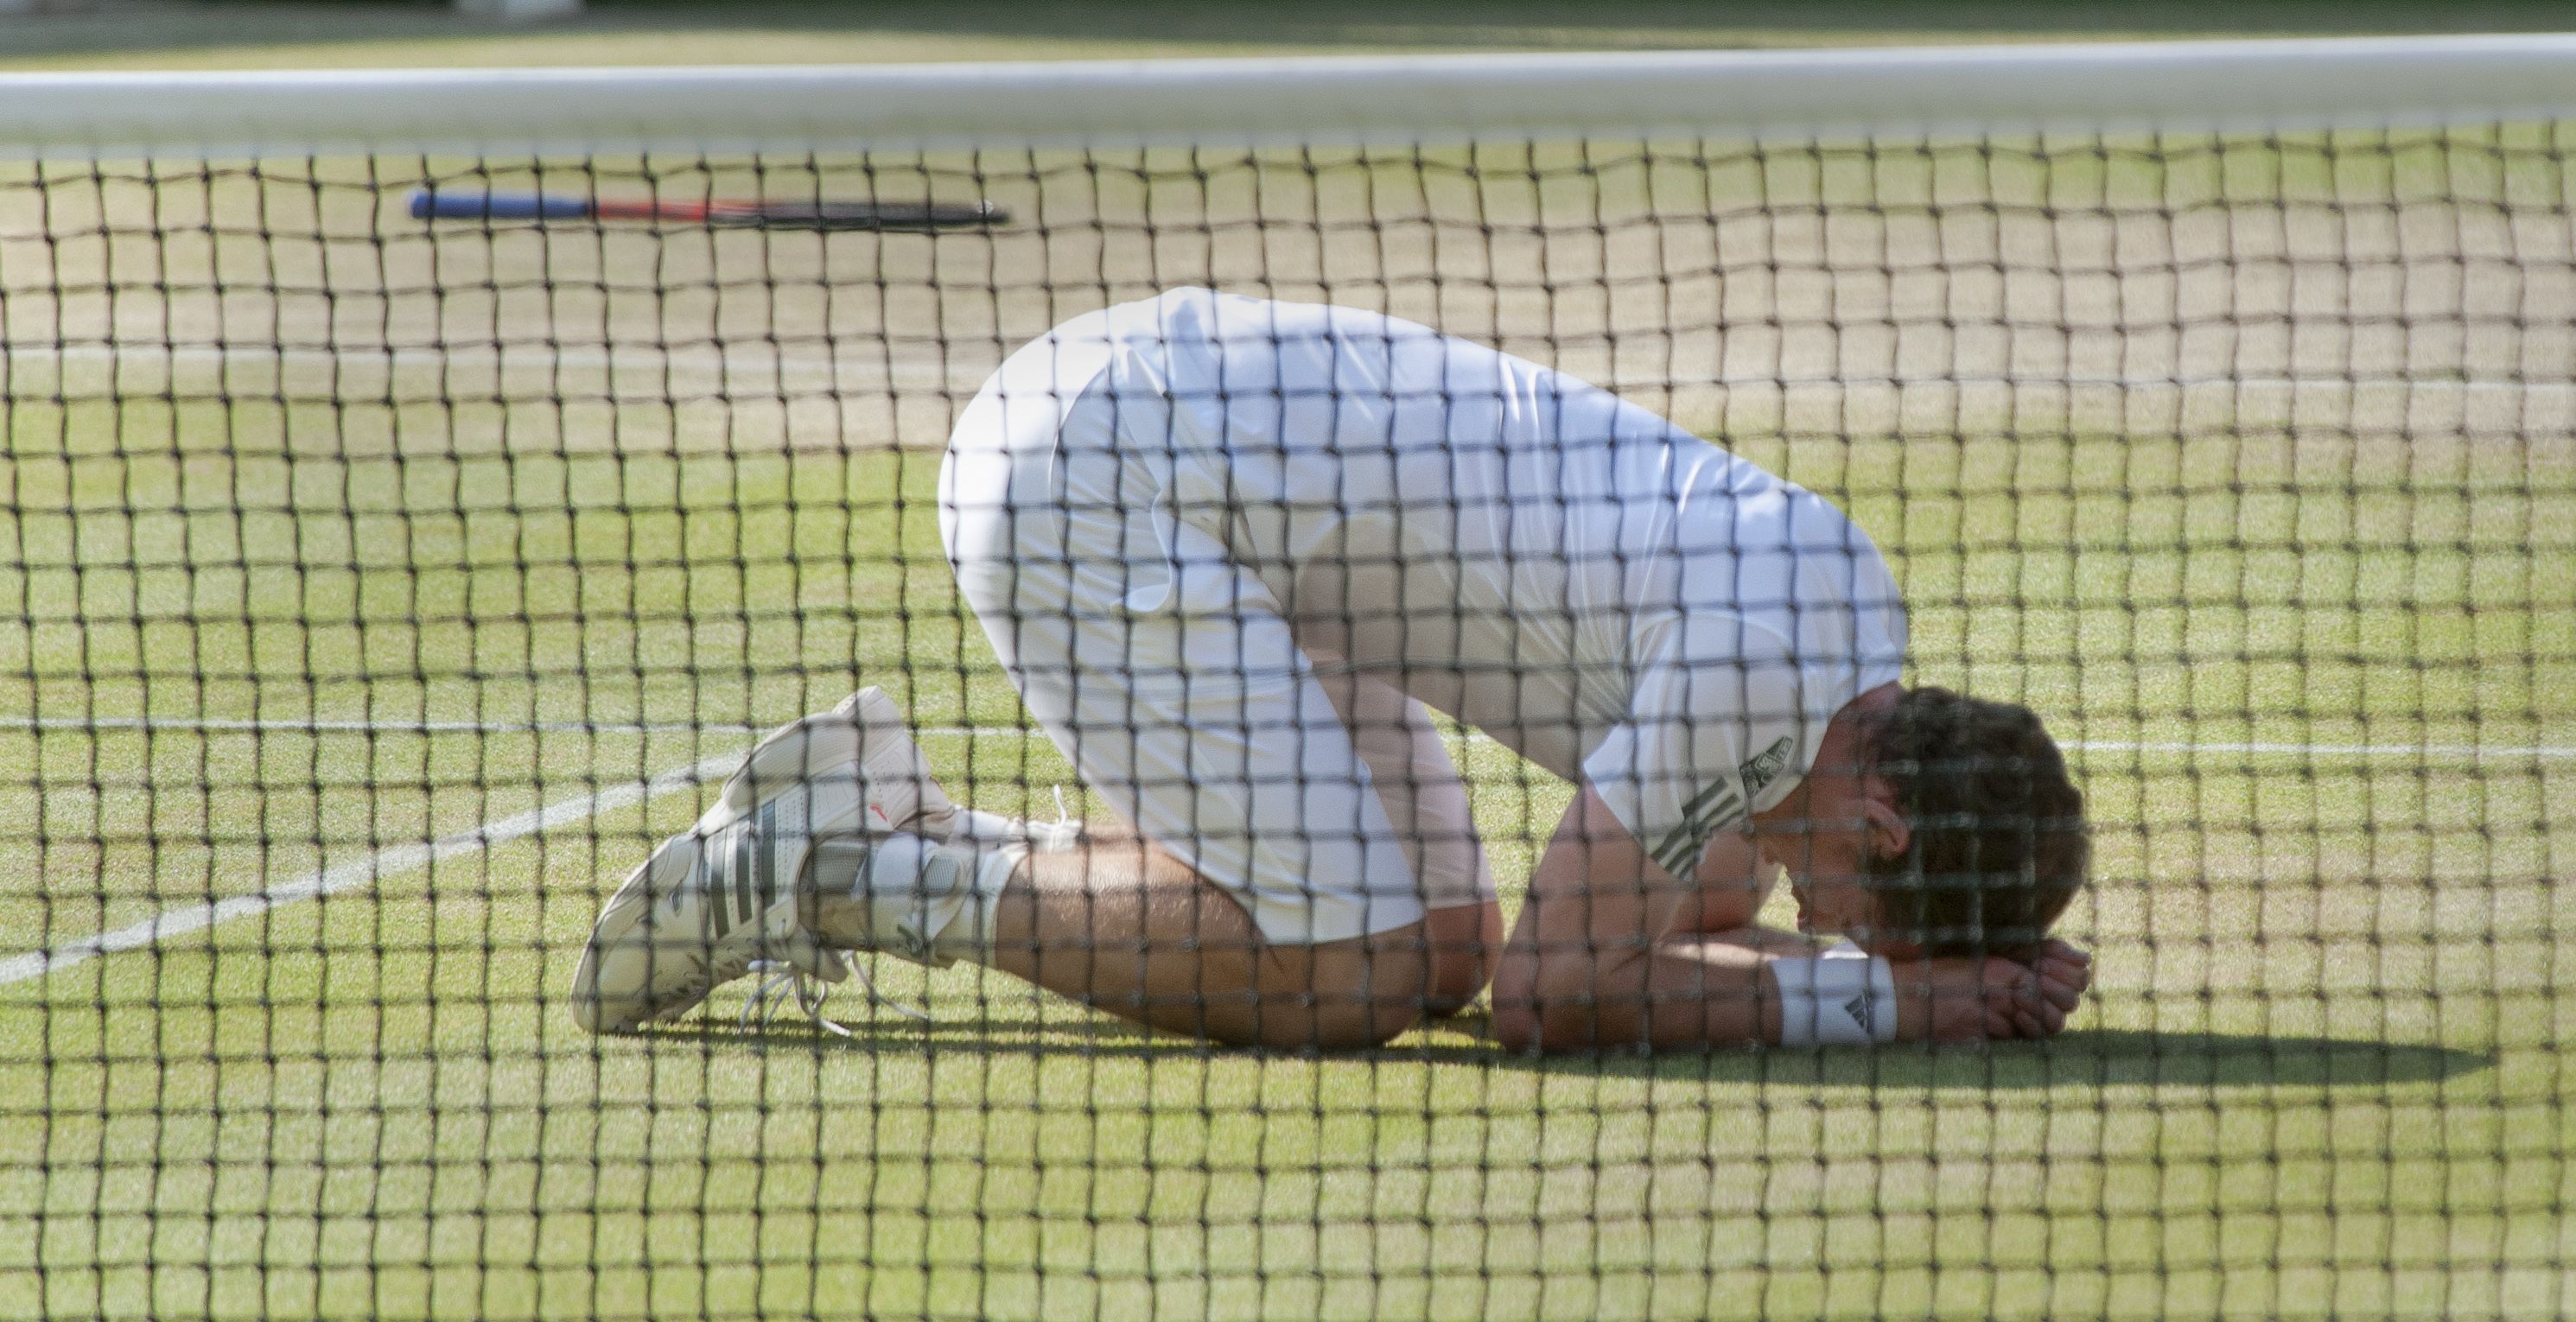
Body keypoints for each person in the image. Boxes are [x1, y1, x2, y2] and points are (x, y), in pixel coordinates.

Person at [571, 289, 2094, 1052]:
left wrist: (1897, 974)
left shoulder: (1844, 648)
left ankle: (917, 831)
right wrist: (1902, 1009)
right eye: (1849, 913)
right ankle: (823, 868)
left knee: (1426, 940)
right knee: (1351, 974)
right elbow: (1551, 998)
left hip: (1189, 458)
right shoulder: (1764, 679)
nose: (1808, 915)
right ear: (1882, 823)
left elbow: (1645, 937)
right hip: (1107, 474)